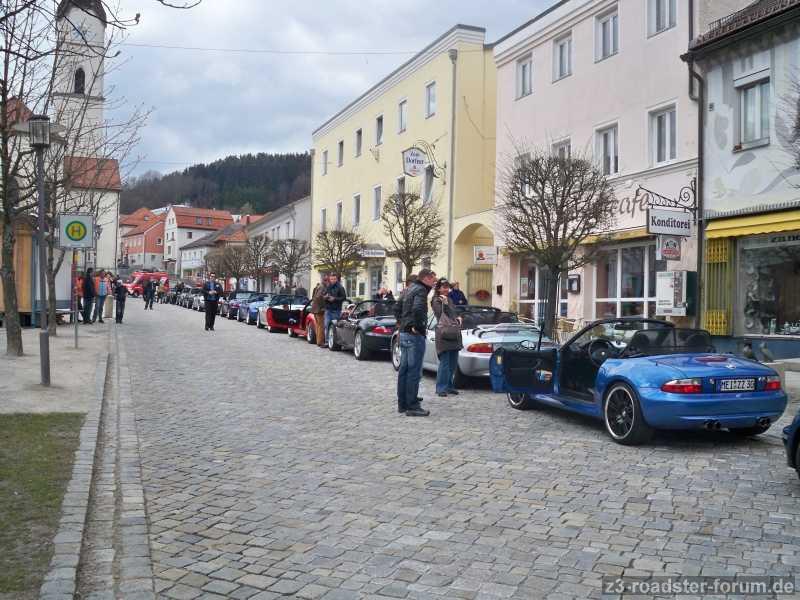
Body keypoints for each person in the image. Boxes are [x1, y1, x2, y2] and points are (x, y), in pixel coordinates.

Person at [395, 268, 437, 416]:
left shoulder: (410, 288)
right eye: (433, 279)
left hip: (405, 333)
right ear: (426, 278)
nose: (434, 283)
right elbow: (418, 309)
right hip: (413, 336)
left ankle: (403, 404)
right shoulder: (420, 290)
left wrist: (402, 324)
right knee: (413, 371)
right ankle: (412, 406)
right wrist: (418, 328)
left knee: (404, 370)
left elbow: (397, 307)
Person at [432, 279, 462, 397]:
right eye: (443, 287)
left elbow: (454, 313)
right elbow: (441, 314)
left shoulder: (449, 299)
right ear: (438, 288)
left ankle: (449, 386)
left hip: (453, 333)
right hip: (444, 334)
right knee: (445, 363)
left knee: (453, 362)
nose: (446, 289)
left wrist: (459, 317)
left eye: (447, 287)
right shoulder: (436, 300)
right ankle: (441, 388)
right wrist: (445, 305)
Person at [323, 273, 346, 339]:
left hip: (336, 310)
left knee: (334, 326)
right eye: (331, 279)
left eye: (334, 279)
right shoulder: (328, 287)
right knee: (326, 325)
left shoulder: (340, 287)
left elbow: (344, 298)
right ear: (329, 279)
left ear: (336, 279)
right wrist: (325, 297)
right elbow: (323, 296)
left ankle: (333, 341)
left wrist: (334, 299)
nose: (332, 280)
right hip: (328, 309)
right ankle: (327, 341)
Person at [310, 275, 328, 347]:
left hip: (315, 309)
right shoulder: (322, 287)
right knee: (321, 326)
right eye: (327, 281)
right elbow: (318, 297)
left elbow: (315, 297)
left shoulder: (319, 286)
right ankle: (320, 342)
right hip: (319, 309)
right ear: (325, 281)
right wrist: (325, 297)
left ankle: (318, 341)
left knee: (318, 325)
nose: (328, 283)